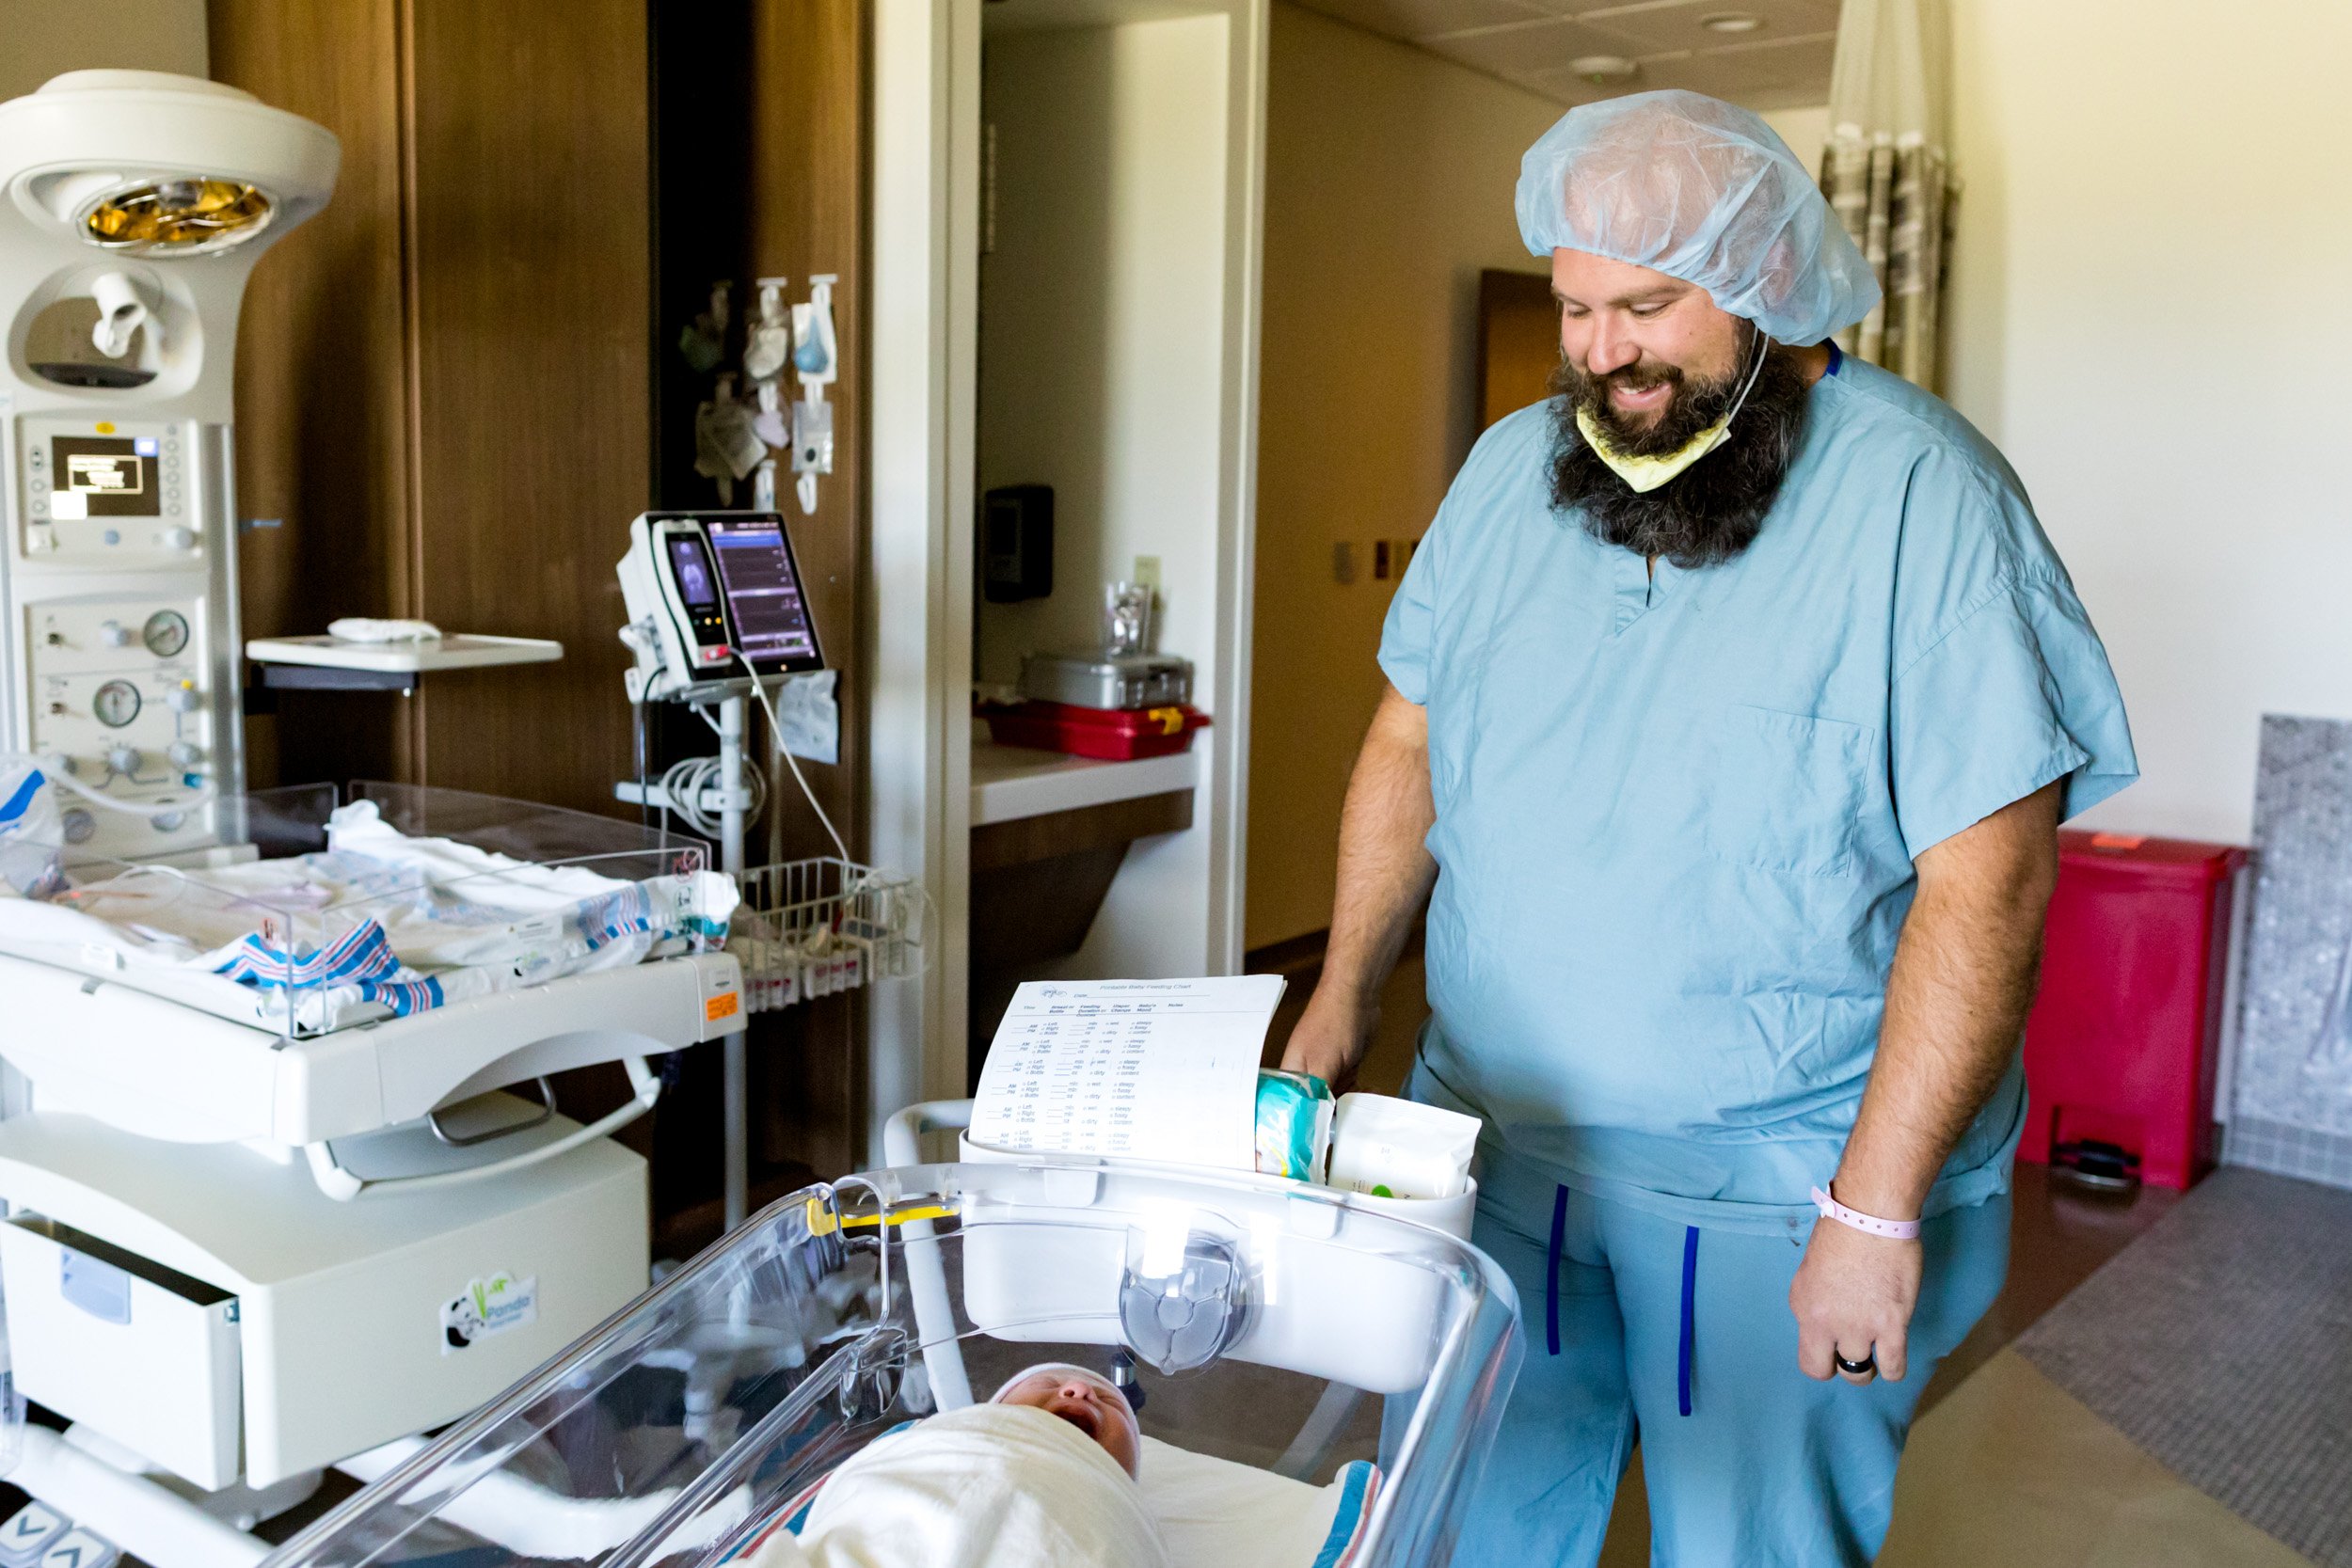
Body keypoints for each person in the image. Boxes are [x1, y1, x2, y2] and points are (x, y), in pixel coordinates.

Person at [1280, 89, 2135, 1565]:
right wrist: (1339, 1001)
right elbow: (1410, 737)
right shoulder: (1507, 476)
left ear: (1762, 281)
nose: (1602, 351)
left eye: (1648, 305)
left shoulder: (1924, 499)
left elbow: (1987, 886)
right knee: (1475, 1515)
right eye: (1574, 308)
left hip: (1775, 1176)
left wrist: (1868, 1216)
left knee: (1757, 1543)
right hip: (1498, 1139)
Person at [739, 1363, 1167, 1568]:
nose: (1078, 1389)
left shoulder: (1119, 1510)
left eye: (1112, 1404)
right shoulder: (930, 1440)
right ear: (989, 1413)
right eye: (1049, 1383)